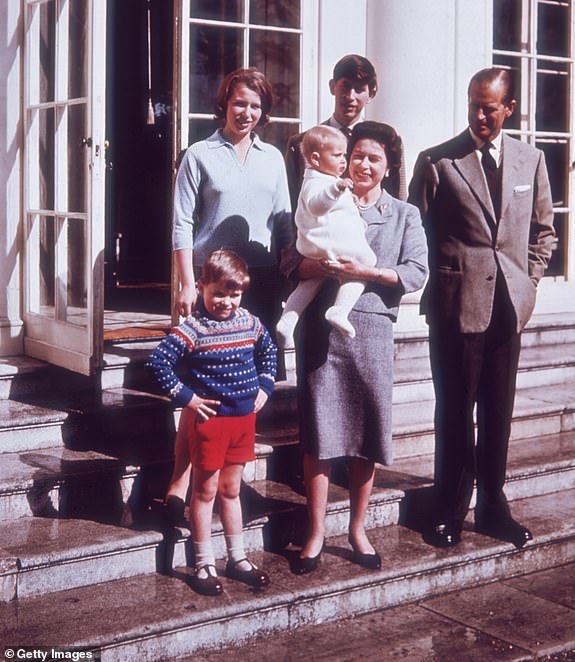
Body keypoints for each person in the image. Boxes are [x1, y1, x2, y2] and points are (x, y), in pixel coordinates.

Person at [408, 67, 555, 549]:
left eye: (488, 107)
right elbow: (418, 232)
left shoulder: (531, 161)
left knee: (498, 412)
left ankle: (493, 506)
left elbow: (542, 232)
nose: (478, 115)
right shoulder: (438, 162)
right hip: (456, 308)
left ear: (508, 108)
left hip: (508, 306)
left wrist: (528, 282)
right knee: (455, 410)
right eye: (473, 104)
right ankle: (449, 509)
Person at [283, 121, 428, 574]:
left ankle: (358, 528)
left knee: (367, 433)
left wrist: (369, 273)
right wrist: (318, 266)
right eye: (358, 155)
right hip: (322, 333)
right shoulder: (322, 197)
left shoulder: (404, 214)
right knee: (319, 436)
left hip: (370, 328)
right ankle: (314, 532)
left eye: (374, 158)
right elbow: (290, 261)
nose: (363, 164)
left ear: (388, 167)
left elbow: (416, 272)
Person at [166, 68, 292, 523]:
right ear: (225, 103)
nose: (248, 112)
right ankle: (182, 481)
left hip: (259, 283)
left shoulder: (273, 158)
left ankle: (233, 480)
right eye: (240, 103)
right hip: (211, 281)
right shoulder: (200, 154)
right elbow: (181, 223)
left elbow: (284, 221)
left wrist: (293, 269)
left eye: (256, 106)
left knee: (242, 388)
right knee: (201, 390)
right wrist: (187, 283)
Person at [147, 250, 277, 595]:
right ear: (201, 286)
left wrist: (265, 384)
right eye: (219, 293)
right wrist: (187, 398)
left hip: (243, 421)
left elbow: (269, 351)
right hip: (211, 423)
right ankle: (202, 562)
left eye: (234, 295)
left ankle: (237, 558)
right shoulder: (193, 328)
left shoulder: (250, 322)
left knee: (232, 490)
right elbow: (159, 363)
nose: (227, 302)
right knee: (203, 493)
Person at [276, 125, 376, 346]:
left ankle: (288, 320)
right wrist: (338, 189)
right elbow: (317, 206)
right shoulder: (317, 182)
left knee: (312, 281)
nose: (343, 160)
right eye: (337, 155)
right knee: (367, 262)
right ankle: (339, 310)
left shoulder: (324, 179)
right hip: (327, 241)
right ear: (315, 158)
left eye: (344, 154)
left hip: (319, 245)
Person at [285, 54, 406, 211]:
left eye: (359, 89)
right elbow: (292, 207)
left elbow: (399, 200)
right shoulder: (302, 144)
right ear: (332, 87)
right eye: (345, 86)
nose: (350, 96)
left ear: (372, 93)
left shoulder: (388, 141)